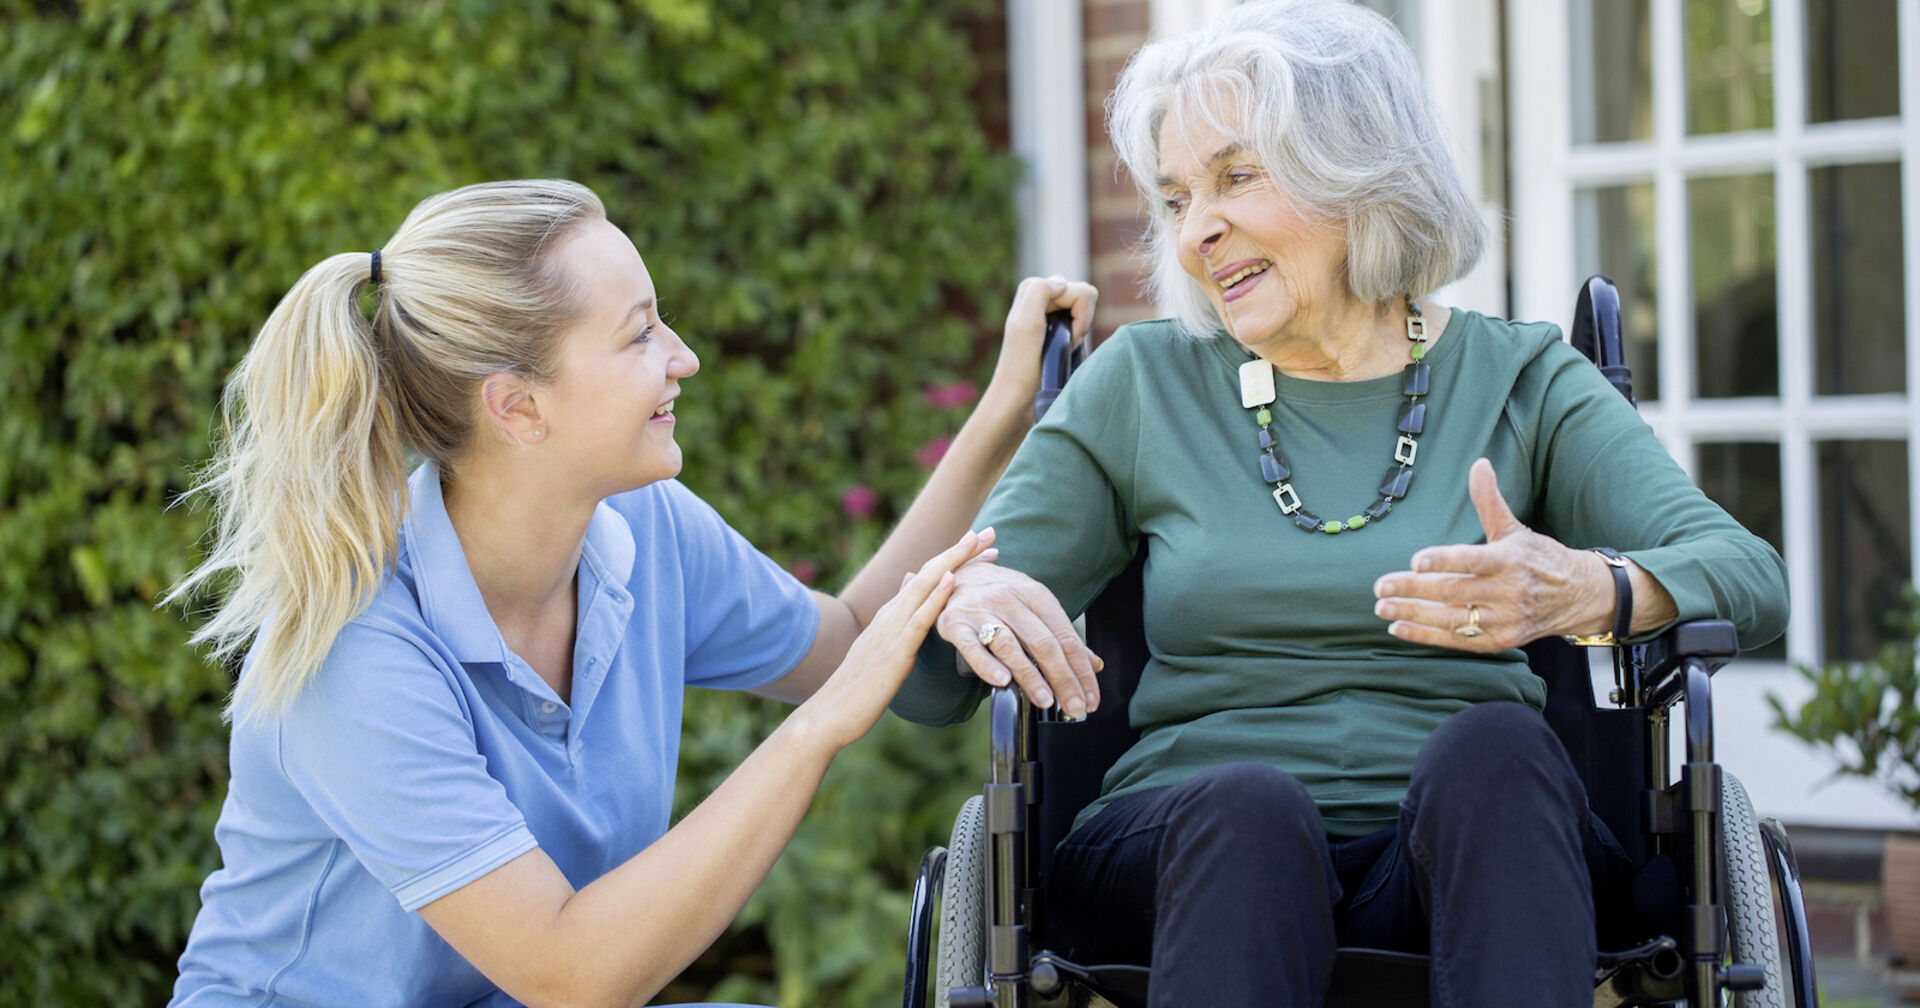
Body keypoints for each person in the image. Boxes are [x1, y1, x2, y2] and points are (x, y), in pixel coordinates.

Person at [888, 2, 1789, 1006]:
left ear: (1357, 168)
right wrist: (963, 604)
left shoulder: (1521, 377)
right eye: (1177, 198)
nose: (1196, 231)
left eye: (1236, 176)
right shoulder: (1143, 385)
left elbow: (1750, 577)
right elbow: (926, 688)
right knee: (1249, 810)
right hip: (1190, 857)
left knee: (1498, 754)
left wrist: (1591, 589)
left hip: (1471, 856)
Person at [162, 178, 1097, 1007]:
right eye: (640, 332)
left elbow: (849, 637)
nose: (683, 357)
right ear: (517, 406)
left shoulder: (644, 530)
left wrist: (1005, 407)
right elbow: (571, 977)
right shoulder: (357, 648)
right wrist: (818, 729)